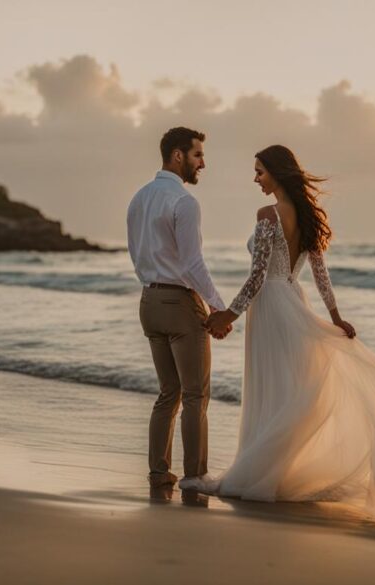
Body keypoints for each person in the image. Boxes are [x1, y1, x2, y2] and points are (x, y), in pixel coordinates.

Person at [202, 145, 375, 510]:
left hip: (271, 308)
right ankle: (278, 471)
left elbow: (257, 278)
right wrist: (334, 316)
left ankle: (262, 473)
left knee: (272, 389)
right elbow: (320, 275)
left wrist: (230, 314)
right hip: (293, 300)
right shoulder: (307, 216)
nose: (255, 178)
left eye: (260, 171)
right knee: (290, 390)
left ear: (277, 172)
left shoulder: (267, 214)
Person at [126, 127, 231, 492]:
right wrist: (220, 307)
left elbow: (137, 254)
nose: (203, 162)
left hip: (148, 301)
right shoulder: (184, 201)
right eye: (198, 155)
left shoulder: (139, 198)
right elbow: (191, 265)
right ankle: (195, 476)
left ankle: (158, 472)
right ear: (177, 156)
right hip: (178, 302)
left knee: (168, 392)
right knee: (195, 395)